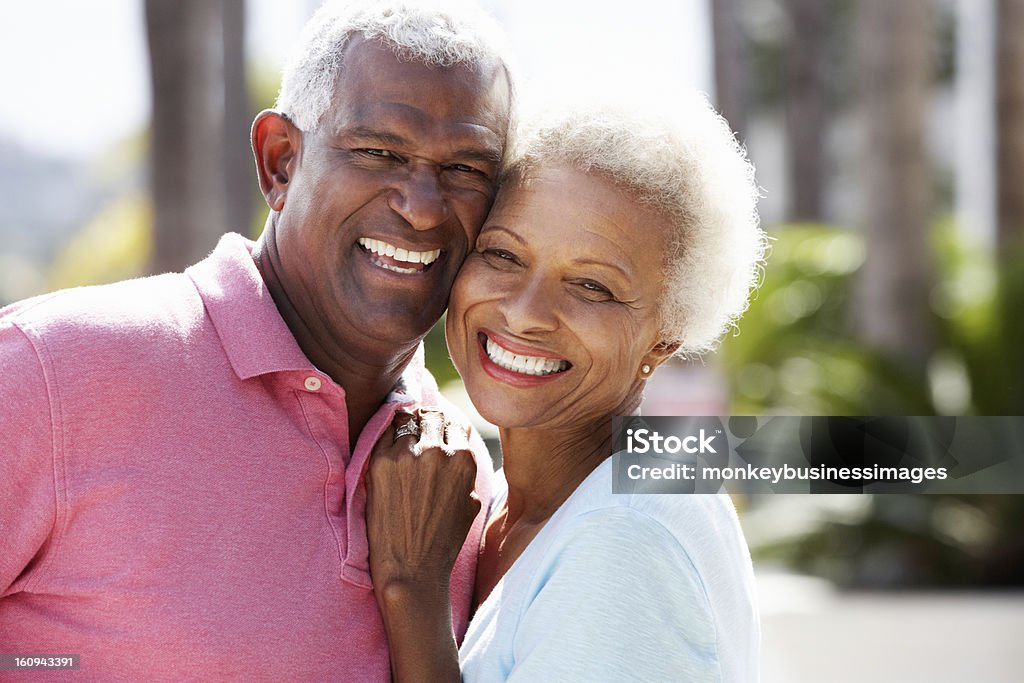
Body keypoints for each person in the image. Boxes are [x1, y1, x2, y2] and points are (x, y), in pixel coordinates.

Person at [0, 1, 511, 679]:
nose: (422, 205)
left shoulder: (462, 473)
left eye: (467, 169)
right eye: (380, 151)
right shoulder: (54, 371)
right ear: (279, 162)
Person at [366, 93, 766, 682]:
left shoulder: (624, 540)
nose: (526, 313)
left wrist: (413, 593)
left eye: (592, 287)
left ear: (666, 338)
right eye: (501, 254)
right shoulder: (516, 500)